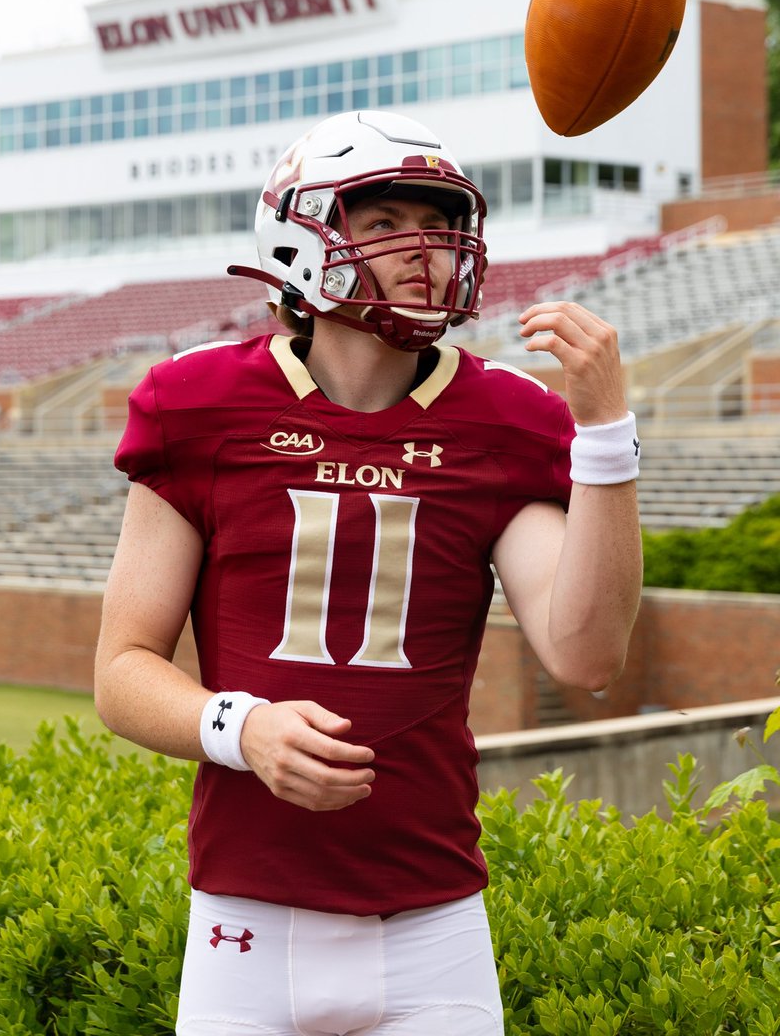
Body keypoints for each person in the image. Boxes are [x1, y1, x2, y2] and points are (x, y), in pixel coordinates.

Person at [95, 109, 643, 1036]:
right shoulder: (199, 404)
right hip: (248, 923)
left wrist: (605, 437)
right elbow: (121, 672)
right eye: (383, 223)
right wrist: (242, 729)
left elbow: (586, 655)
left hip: (432, 927)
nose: (423, 248)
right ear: (301, 237)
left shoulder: (508, 421)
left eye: (438, 220)